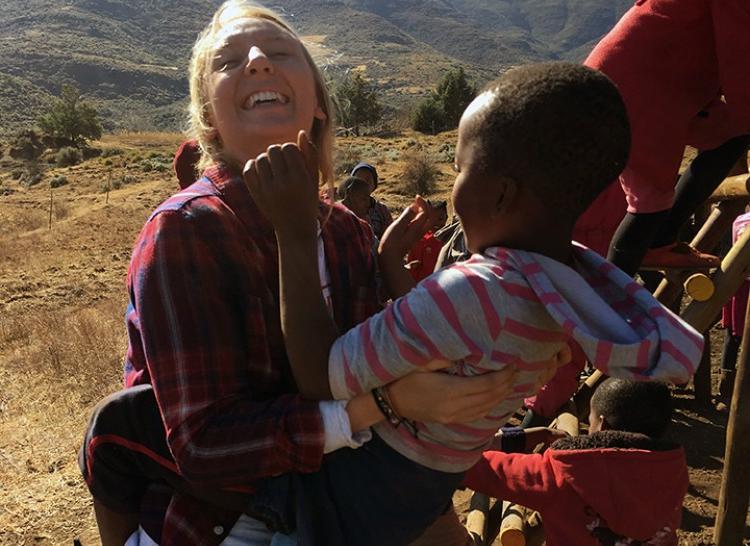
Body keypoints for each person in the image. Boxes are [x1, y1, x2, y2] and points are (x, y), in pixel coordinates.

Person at [78, 3, 520, 545]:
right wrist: (384, 406)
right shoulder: (187, 232)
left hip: (348, 490)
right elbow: (205, 446)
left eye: (280, 52)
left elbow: (366, 363)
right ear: (210, 117)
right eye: (229, 61)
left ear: (318, 105)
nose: (259, 62)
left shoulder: (346, 232)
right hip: (223, 519)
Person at [244, 62, 703, 545]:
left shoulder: (476, 292)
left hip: (360, 491)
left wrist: (293, 233)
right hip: (422, 488)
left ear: (501, 192)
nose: (455, 184)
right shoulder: (553, 284)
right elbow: (448, 339)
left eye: (461, 168)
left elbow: (321, 377)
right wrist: (390, 264)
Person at [582, 0, 750, 276]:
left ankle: (661, 238)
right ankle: (610, 304)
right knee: (648, 199)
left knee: (729, 135)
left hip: (656, 80)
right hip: (639, 85)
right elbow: (741, 60)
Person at [464, 379, 688, 546]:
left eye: (588, 422)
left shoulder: (567, 472)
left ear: (602, 426)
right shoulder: (673, 473)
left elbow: (488, 470)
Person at [406, 199, 448, 281]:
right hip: (419, 287)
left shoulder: (448, 240)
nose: (435, 223)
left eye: (440, 218)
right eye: (431, 219)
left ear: (446, 217)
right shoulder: (417, 239)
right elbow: (410, 265)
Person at [350, 162, 393, 238]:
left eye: (368, 180)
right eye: (359, 180)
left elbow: (390, 235)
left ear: (374, 185)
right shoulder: (345, 209)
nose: (363, 184)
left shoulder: (382, 210)